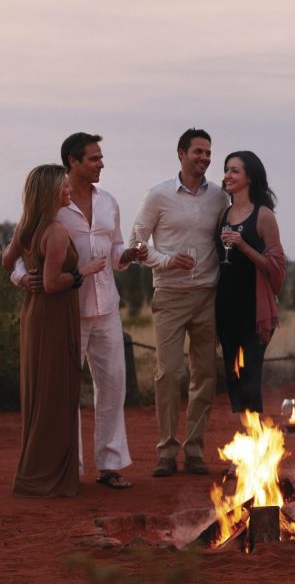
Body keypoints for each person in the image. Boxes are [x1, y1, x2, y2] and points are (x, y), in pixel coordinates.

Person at [13, 133, 143, 490]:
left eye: (101, 158)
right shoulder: (50, 205)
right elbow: (17, 255)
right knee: (65, 389)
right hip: (65, 312)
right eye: (94, 159)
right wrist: (24, 278)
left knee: (113, 384)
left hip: (107, 308)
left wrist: (128, 256)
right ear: (73, 161)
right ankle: (71, 466)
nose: (101, 164)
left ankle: (110, 465)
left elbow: (115, 251)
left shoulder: (110, 203)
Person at [132, 128, 229, 477]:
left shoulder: (220, 198)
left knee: (204, 375)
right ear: (181, 153)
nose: (204, 158)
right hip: (170, 295)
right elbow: (138, 244)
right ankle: (166, 451)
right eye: (198, 152)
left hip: (207, 295)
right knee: (169, 373)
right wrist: (167, 261)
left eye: (208, 153)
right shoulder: (157, 195)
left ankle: (194, 450)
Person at [3, 164, 103, 497]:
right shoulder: (57, 231)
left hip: (34, 315)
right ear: (49, 192)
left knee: (41, 392)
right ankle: (49, 478)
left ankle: (35, 470)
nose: (68, 190)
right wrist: (83, 272)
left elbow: (7, 262)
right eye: (63, 186)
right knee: (56, 392)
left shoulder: (27, 227)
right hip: (55, 316)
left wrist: (20, 278)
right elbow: (51, 283)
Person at [216, 151, 285, 414]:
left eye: (234, 170)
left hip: (254, 312)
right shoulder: (223, 215)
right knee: (232, 378)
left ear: (250, 177)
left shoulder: (263, 215)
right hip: (225, 309)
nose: (227, 176)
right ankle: (243, 444)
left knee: (250, 377)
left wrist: (243, 246)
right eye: (226, 170)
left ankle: (257, 444)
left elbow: (276, 266)